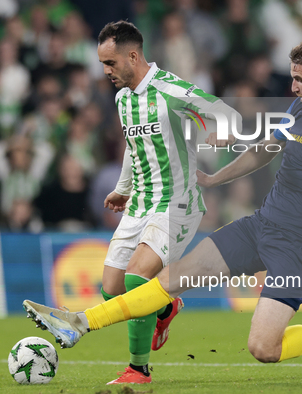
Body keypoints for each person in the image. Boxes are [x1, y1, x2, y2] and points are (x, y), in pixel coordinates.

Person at [25, 38, 302, 375]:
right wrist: (216, 178)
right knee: (169, 280)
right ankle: (79, 321)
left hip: (299, 245)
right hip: (260, 225)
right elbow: (265, 150)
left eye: (299, 80)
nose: (292, 87)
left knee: (264, 349)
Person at [29, 20, 237, 385]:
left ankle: (137, 370)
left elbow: (228, 114)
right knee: (112, 288)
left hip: (177, 203)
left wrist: (222, 131)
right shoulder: (123, 98)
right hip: (140, 204)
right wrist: (123, 187)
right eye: (102, 64)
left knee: (137, 278)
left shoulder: (171, 91)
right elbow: (133, 146)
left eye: (110, 63)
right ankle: (166, 304)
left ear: (133, 55)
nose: (105, 71)